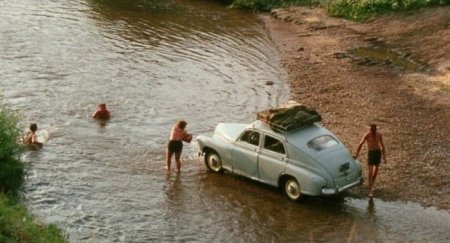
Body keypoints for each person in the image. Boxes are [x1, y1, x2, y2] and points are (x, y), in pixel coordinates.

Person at [353, 124, 387, 198]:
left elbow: (382, 146)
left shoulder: (379, 135)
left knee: (376, 170)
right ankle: (370, 190)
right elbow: (360, 144)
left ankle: (372, 184)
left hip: (377, 153)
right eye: (370, 130)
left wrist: (384, 157)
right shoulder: (367, 135)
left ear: (375, 130)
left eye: (372, 130)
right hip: (371, 153)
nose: (371, 131)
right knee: (370, 172)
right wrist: (356, 155)